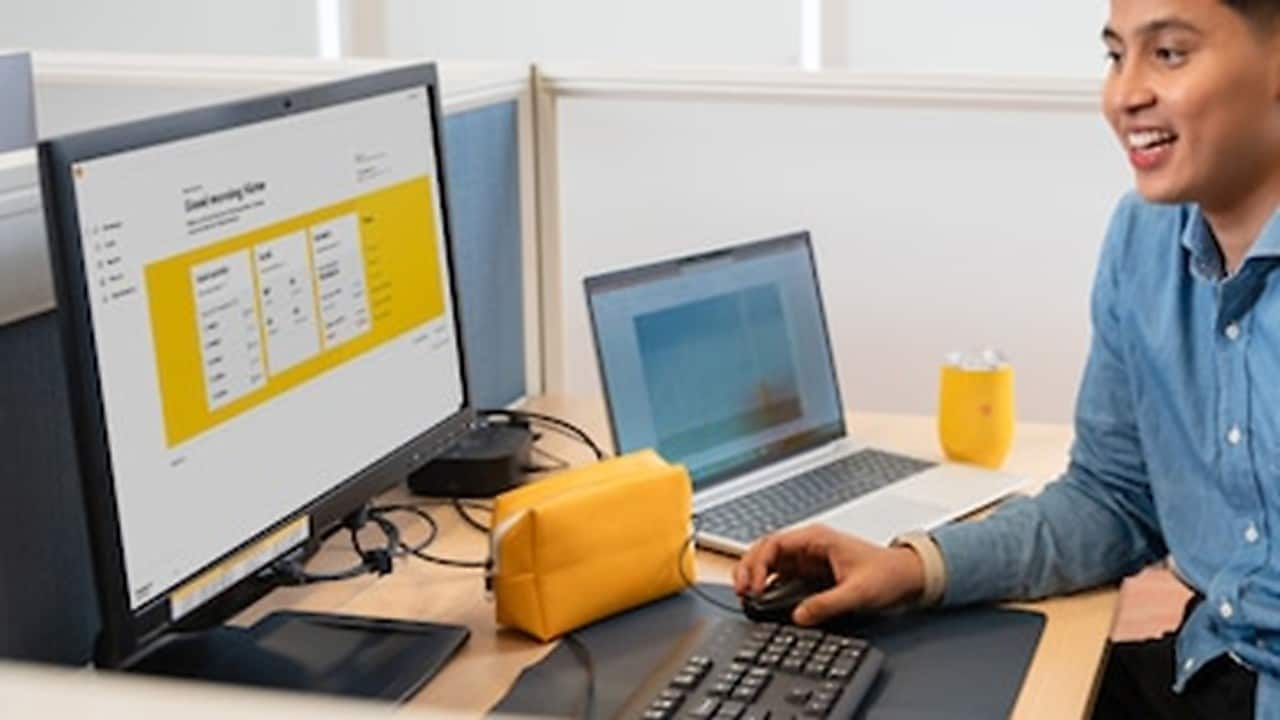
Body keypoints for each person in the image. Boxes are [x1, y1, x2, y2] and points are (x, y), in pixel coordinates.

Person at [733, 0, 1280, 717]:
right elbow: (1112, 500)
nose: (1125, 94)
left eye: (1169, 54)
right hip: (1213, 665)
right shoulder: (1141, 239)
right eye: (1116, 56)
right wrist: (909, 567)